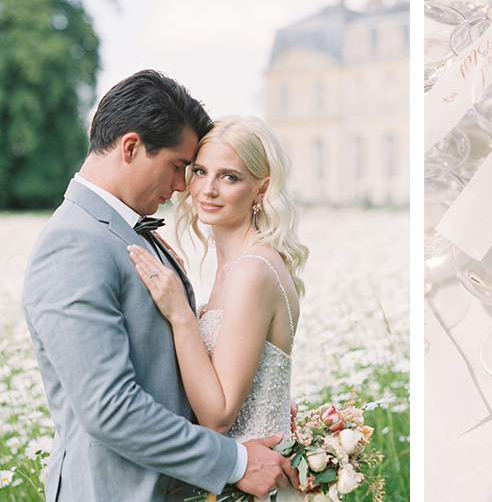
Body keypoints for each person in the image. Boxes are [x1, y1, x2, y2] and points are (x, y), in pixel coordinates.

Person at [21, 70, 298, 501]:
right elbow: (109, 409)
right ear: (131, 147)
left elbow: (164, 377)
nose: (181, 188)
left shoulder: (129, 231)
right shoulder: (74, 243)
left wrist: (258, 409)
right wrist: (234, 461)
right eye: (181, 168)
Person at [127, 114, 309, 500]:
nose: (207, 189)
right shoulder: (237, 265)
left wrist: (181, 315)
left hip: (257, 488)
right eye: (200, 171)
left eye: (229, 176)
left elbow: (219, 415)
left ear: (261, 189)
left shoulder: (252, 272)